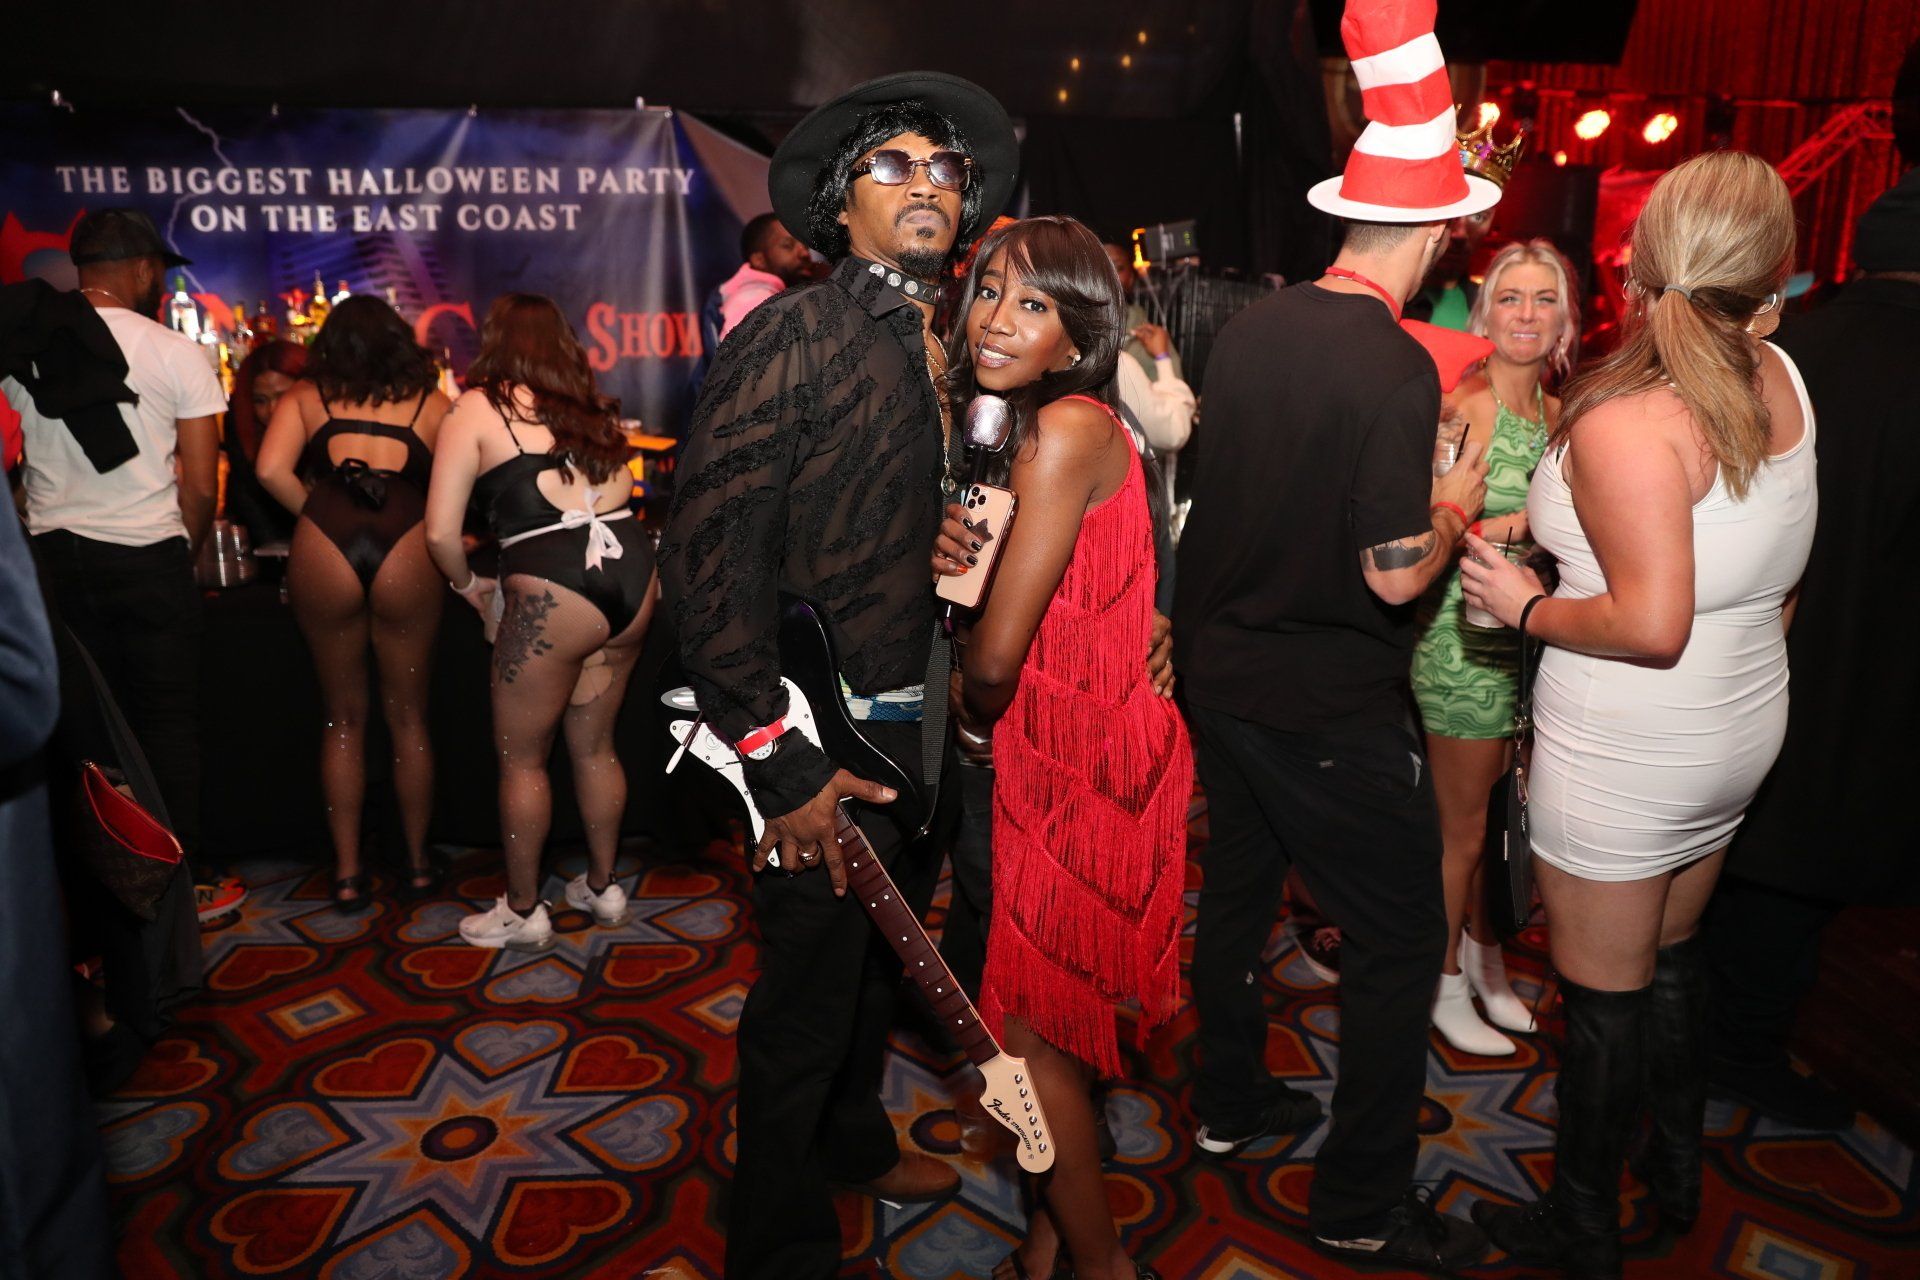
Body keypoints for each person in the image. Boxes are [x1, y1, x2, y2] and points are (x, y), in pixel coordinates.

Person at [659, 72, 1018, 1280]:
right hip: (813, 737)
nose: (926, 184)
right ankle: (777, 1240)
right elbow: (707, 555)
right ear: (838, 203)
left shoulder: (947, 346)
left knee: (875, 972)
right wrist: (779, 759)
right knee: (806, 1001)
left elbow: (866, 520)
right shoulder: (795, 331)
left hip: (912, 727)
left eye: (943, 168)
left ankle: (854, 1144)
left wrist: (938, 538)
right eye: (893, 165)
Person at [1172, 1, 1496, 1268]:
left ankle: (1228, 1098)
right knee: (1402, 937)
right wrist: (1456, 496)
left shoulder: (1253, 324)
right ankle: (1362, 1202)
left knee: (1239, 895)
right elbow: (1394, 573)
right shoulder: (1396, 364)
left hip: (1223, 676)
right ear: (1443, 226)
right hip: (1320, 700)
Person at [1461, 150, 1814, 1278]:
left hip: (1630, 744)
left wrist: (1526, 604)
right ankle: (1674, 1175)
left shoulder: (1634, 417)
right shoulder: (1782, 376)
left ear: (1642, 257)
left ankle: (1581, 1227)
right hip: (1740, 725)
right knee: (1670, 955)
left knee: (1603, 995)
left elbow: (1653, 622)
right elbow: (1770, 572)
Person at [926, 216, 1188, 1280]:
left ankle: (1100, 1261)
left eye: (1032, 304)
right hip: (1072, 751)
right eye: (989, 290)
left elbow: (993, 659)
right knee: (1060, 1027)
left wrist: (964, 716)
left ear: (1078, 336)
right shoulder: (1025, 427)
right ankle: (1048, 1242)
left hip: (1069, 767)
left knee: (1029, 1047)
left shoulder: (1067, 427)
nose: (995, 318)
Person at [1701, 165, 1920, 1130]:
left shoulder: (1785, 350)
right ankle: (1740, 1051)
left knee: (1731, 860)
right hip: (1877, 668)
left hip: (1747, 643)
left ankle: (1695, 1041)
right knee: (1806, 867)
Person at [3, 207, 244, 922]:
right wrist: (180, 551)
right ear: (142, 269)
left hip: (55, 559)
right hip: (146, 556)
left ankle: (102, 893)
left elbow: (19, 470)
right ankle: (181, 887)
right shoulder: (175, 351)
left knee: (85, 732)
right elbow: (200, 486)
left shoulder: (31, 344)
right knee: (166, 723)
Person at [425, 294, 657, 951]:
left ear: (493, 341)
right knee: (597, 746)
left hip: (555, 592)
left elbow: (440, 532)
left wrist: (469, 588)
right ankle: (604, 887)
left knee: (522, 761)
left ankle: (524, 911)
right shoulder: (589, 406)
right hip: (635, 579)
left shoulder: (476, 407)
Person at [1413, 238, 1579, 1056]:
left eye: (1544, 299)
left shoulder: (1561, 412)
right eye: (1510, 297)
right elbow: (1427, 524)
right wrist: (1536, 524)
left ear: (1565, 319)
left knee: (1509, 819)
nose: (1526, 314)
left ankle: (1487, 964)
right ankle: (1440, 983)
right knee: (1464, 832)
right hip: (1463, 638)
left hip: (1536, 642)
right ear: (1485, 313)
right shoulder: (1466, 405)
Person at [256, 297, 450, 910]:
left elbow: (269, 470)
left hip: (326, 542)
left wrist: (319, 512)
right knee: (409, 718)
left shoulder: (304, 396)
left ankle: (346, 873)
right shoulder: (431, 403)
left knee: (342, 717)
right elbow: (455, 488)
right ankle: (417, 865)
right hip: (406, 541)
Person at [221, 339, 307, 546]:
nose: (272, 410)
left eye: (283, 397)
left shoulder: (326, 435)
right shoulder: (242, 428)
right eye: (260, 400)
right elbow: (246, 503)